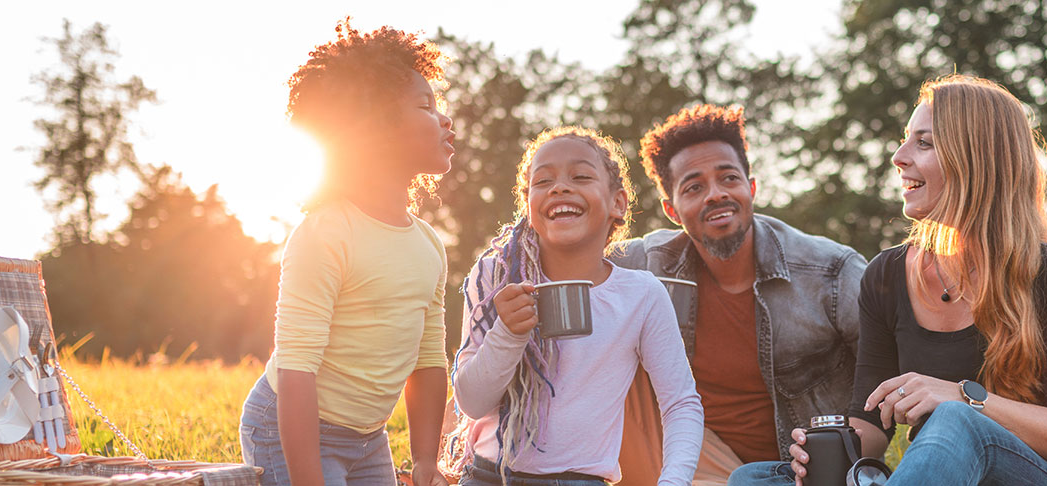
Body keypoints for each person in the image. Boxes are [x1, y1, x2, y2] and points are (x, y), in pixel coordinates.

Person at [729, 74, 1047, 486]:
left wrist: (964, 398)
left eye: (923, 143)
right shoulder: (886, 275)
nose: (899, 156)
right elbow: (871, 424)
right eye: (906, 139)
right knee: (756, 478)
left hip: (1045, 476)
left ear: (975, 159)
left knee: (955, 421)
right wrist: (828, 449)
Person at [239, 19, 457, 486]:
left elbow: (429, 357)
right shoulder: (326, 234)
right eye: (425, 106)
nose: (445, 119)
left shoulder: (428, 245)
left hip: (368, 438)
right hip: (289, 430)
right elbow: (296, 369)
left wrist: (424, 460)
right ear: (376, 129)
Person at [613, 105, 867, 484]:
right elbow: (574, 258)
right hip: (696, 459)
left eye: (728, 178)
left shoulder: (830, 272)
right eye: (694, 187)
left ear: (750, 187)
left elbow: (893, 365)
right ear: (671, 209)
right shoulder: (648, 262)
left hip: (796, 471)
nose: (715, 195)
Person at [450, 127, 704, 486]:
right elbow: (472, 403)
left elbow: (681, 404)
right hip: (488, 476)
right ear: (528, 204)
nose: (559, 188)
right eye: (543, 181)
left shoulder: (640, 295)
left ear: (618, 203)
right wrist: (507, 333)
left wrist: (673, 481)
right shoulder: (497, 275)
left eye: (581, 176)